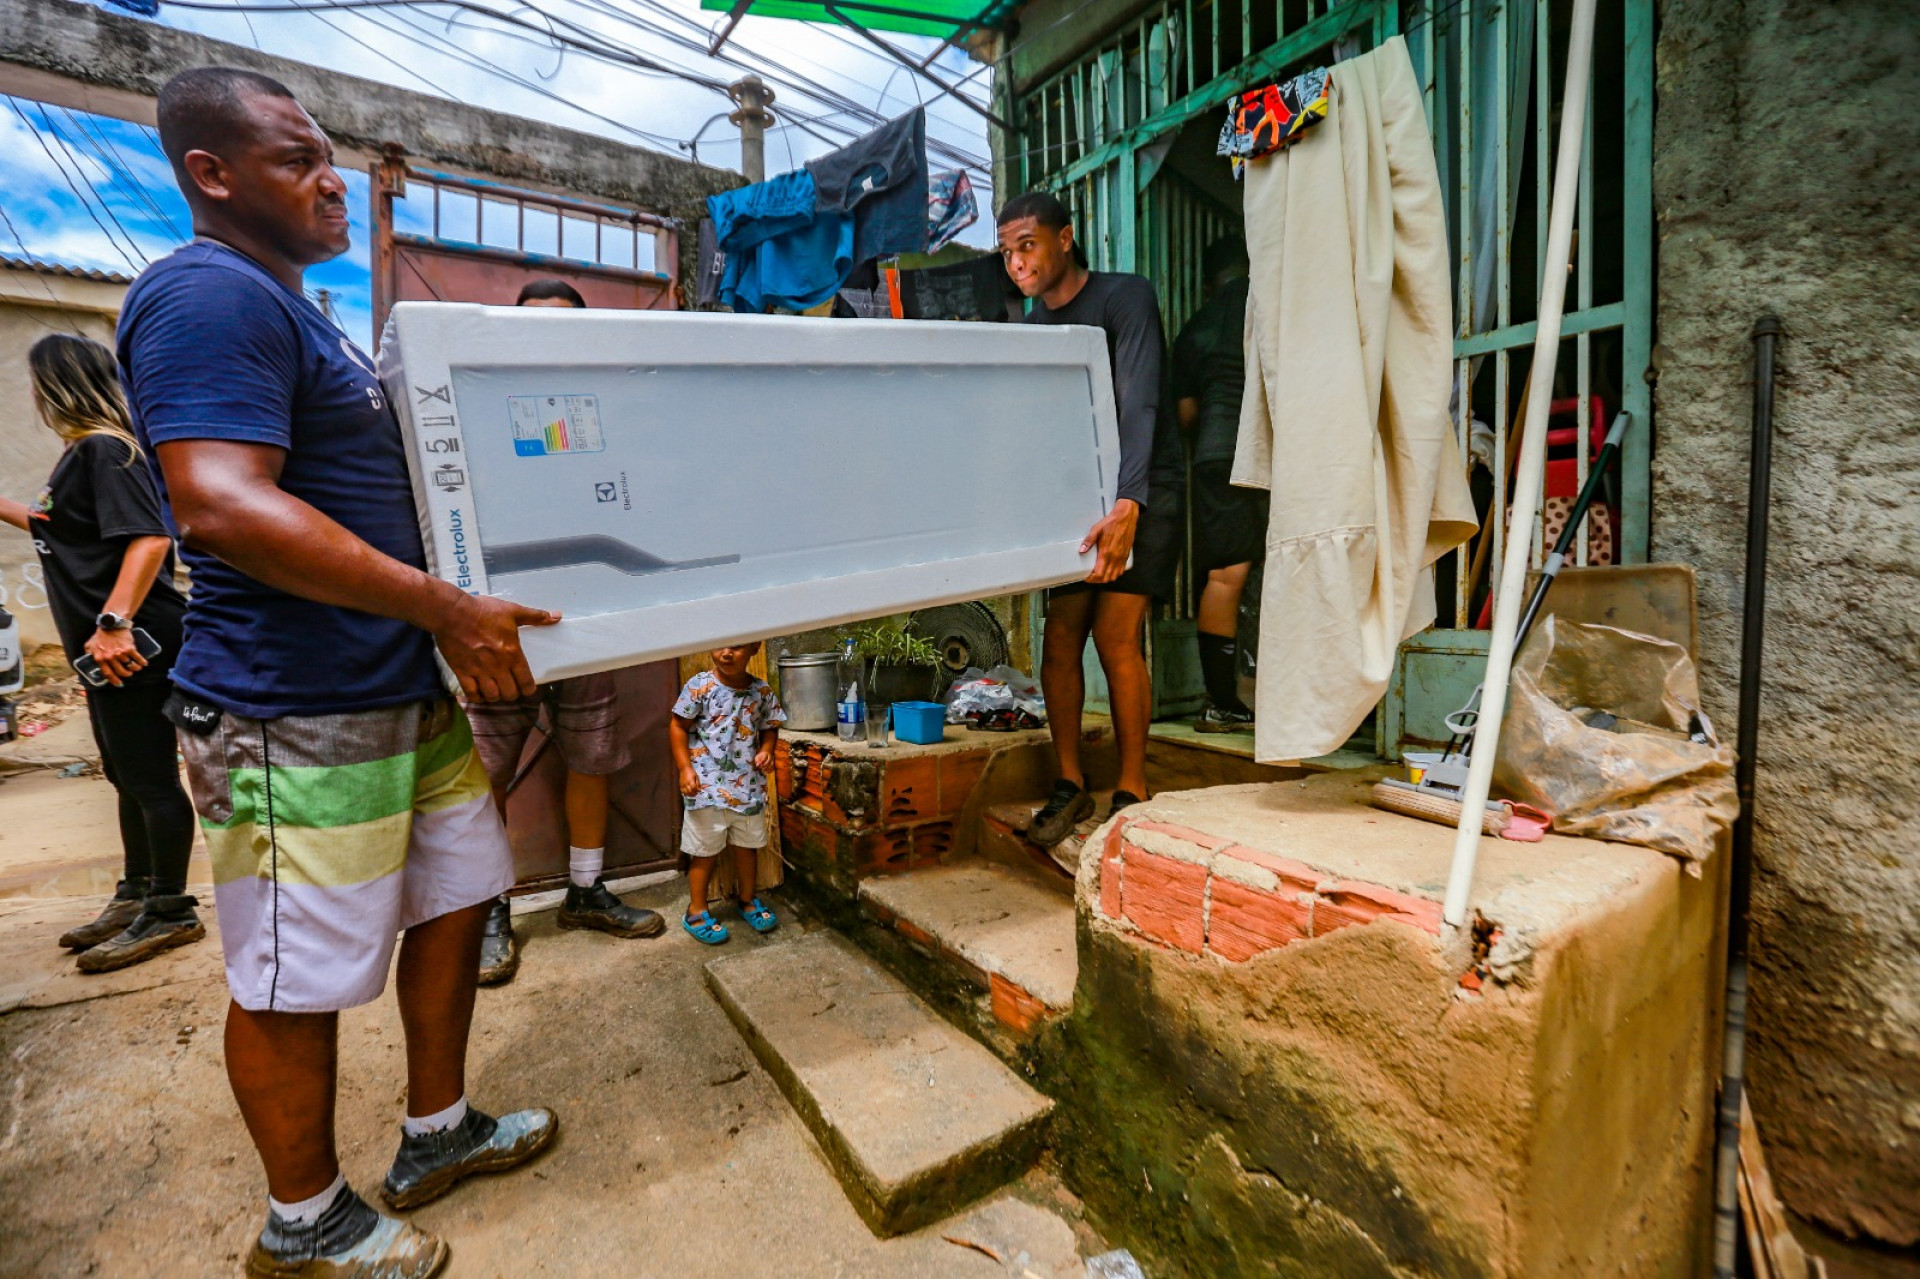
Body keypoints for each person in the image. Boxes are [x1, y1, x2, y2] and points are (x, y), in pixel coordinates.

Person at [122, 67, 558, 1276]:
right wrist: (448, 607)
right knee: (292, 976)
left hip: (390, 687)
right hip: (289, 709)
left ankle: (436, 1131)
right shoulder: (204, 294)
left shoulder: (297, 308)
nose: (333, 183)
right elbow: (217, 503)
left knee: (460, 895)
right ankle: (304, 1220)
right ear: (211, 174)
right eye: (295, 159)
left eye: (330, 157)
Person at [467, 276, 663, 989]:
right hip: (497, 622)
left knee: (592, 756)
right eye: (531, 324)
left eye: (561, 325)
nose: (546, 337)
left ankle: (585, 889)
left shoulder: (601, 408)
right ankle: (489, 907)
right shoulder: (475, 405)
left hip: (584, 616)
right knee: (482, 774)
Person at [0, 334, 203, 973]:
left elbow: (147, 540)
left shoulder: (105, 450)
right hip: (106, 647)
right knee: (124, 773)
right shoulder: (84, 456)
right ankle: (138, 892)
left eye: (37, 384)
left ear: (57, 385)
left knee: (148, 776)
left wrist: (114, 623)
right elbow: (59, 529)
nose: (33, 397)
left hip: (129, 642)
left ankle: (171, 910)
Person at [997, 192, 1184, 847]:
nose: (1018, 262)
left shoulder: (1124, 298)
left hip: (1142, 489)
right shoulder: (1027, 330)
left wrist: (1129, 504)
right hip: (1075, 503)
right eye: (1008, 251)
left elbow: (1140, 402)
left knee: (1117, 635)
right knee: (1059, 636)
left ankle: (1131, 789)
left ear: (1065, 238)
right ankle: (1070, 783)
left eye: (1028, 244)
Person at [1170, 236, 1265, 732]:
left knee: (1225, 576)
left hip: (1216, 454)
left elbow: (1187, 415)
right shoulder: (1273, 302)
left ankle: (1222, 700)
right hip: (1276, 449)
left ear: (1209, 284)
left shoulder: (1194, 329)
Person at [669, 642, 785, 944]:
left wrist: (767, 749)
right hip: (705, 788)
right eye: (719, 644)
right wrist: (684, 769)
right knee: (703, 851)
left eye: (737, 646)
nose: (726, 652)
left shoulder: (761, 691)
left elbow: (771, 725)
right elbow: (678, 726)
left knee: (747, 847)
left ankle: (747, 899)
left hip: (747, 788)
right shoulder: (700, 686)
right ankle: (696, 909)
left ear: (754, 648)